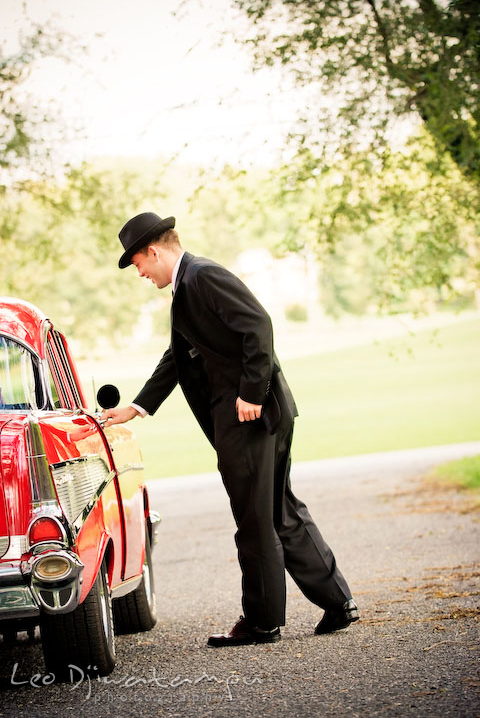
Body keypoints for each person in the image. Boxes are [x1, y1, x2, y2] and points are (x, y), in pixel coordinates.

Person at [102, 211, 359, 647]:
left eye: (138, 263)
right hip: (260, 416)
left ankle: (261, 622)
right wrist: (139, 406)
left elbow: (258, 325)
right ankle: (338, 603)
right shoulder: (187, 286)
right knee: (281, 512)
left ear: (154, 250)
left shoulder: (201, 276)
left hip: (251, 416)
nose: (140, 273)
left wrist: (252, 394)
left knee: (254, 520)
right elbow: (179, 356)